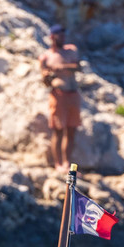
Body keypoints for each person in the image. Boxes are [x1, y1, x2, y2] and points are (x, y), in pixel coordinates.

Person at [38, 23, 82, 169]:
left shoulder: (71, 51)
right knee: (58, 130)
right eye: (59, 35)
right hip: (58, 95)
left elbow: (78, 66)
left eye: (63, 35)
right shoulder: (45, 57)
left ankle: (67, 163)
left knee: (71, 130)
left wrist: (60, 68)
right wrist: (47, 75)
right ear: (52, 37)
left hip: (73, 94)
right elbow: (45, 81)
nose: (63, 38)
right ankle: (58, 164)